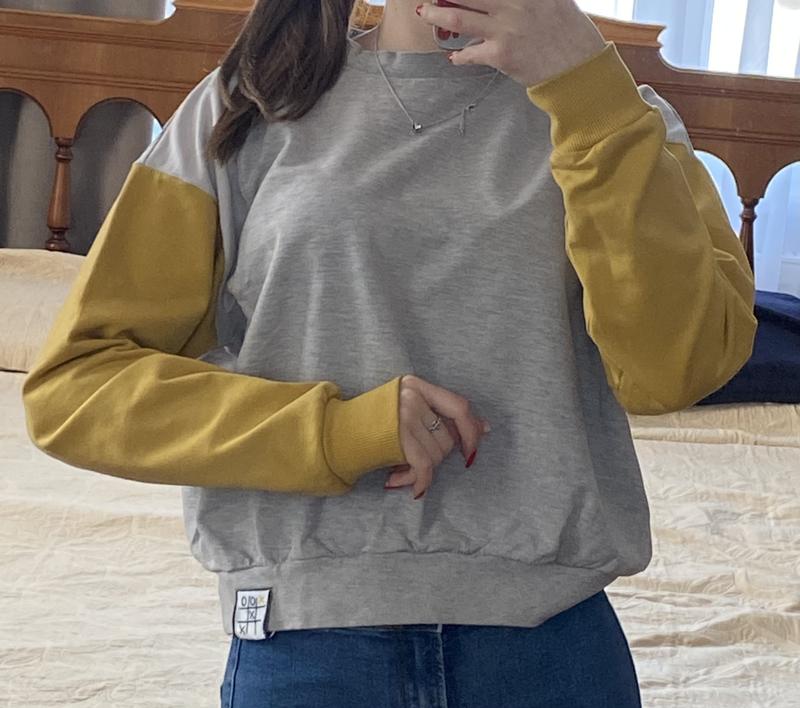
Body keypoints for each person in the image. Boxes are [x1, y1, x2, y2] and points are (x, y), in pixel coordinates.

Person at [21, 0, 757, 705]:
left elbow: (675, 370)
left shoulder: (620, 117)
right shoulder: (248, 104)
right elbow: (79, 386)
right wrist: (335, 430)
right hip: (307, 642)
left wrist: (585, 87)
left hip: (551, 641)